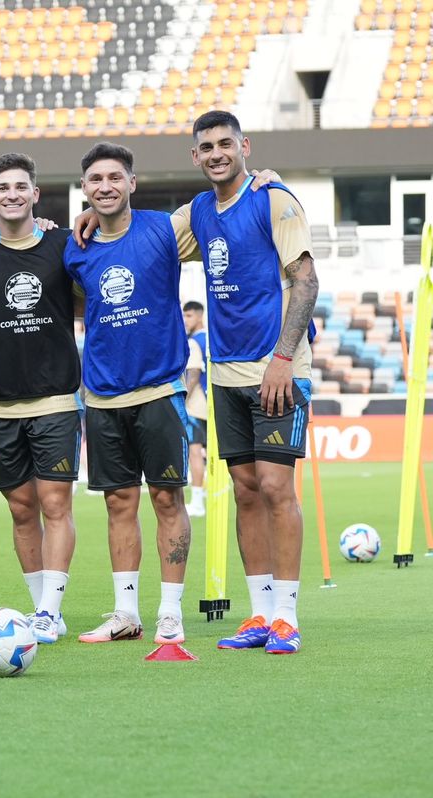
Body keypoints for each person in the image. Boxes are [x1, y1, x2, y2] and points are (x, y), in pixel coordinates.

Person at [185, 111, 318, 654]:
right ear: (195, 156)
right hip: (225, 374)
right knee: (243, 490)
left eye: (226, 143)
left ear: (245, 146)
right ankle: (260, 614)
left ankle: (286, 616)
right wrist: (87, 218)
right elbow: (141, 237)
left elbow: (306, 282)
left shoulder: (273, 200)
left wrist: (283, 358)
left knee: (276, 487)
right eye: (207, 147)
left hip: (277, 368)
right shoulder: (198, 211)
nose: (217, 153)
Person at [63, 142, 194, 646]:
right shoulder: (76, 247)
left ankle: (170, 612)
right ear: (84, 188)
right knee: (119, 503)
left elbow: (221, 206)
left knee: (166, 498)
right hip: (102, 395)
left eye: (115, 177)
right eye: (95, 179)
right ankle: (125, 613)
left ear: (132, 183)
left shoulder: (164, 229)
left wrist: (265, 178)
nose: (106, 186)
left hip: (159, 389)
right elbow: (81, 303)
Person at [0, 153, 80, 644]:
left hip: (54, 398)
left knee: (54, 502)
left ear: (35, 194)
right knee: (22, 508)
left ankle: (50, 611)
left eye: (20, 187)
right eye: (3, 188)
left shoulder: (62, 243)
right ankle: (39, 608)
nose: (12, 194)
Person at [182, 301, 208, 516]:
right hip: (211, 405)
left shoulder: (193, 343)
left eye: (189, 316)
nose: (185, 320)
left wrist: (182, 402)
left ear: (199, 316)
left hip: (195, 406)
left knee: (194, 453)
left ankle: (198, 501)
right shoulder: (211, 338)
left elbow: (193, 376)